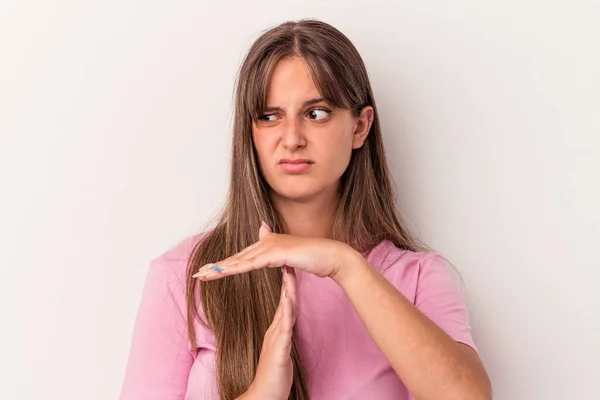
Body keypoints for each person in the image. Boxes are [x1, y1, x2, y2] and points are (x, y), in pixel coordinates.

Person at [119, 19, 492, 400]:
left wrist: (344, 264)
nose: (292, 138)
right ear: (250, 132)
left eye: (316, 113)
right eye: (269, 115)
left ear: (360, 127)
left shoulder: (416, 279)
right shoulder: (184, 277)